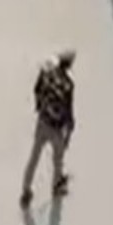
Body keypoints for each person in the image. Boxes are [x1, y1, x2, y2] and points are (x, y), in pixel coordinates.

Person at [20, 50, 75, 207]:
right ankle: (56, 186)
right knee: (58, 159)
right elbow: (69, 113)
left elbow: (36, 89)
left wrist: (39, 107)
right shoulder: (68, 84)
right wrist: (68, 134)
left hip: (42, 123)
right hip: (57, 128)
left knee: (34, 158)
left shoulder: (47, 73)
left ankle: (26, 191)